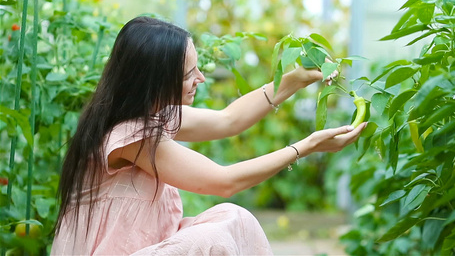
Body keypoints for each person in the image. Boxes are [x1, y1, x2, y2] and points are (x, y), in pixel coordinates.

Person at [51, 16, 367, 255]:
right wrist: (306, 147)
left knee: (230, 221)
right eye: (189, 73)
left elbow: (229, 120)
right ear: (155, 79)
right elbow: (223, 182)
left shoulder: (144, 115)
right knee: (220, 229)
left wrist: (296, 79)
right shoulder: (131, 134)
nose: (200, 78)